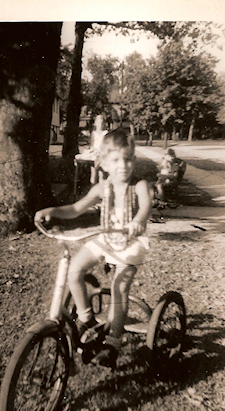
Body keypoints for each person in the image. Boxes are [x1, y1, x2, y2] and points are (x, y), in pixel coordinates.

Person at [34, 128, 152, 368]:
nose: (123, 166)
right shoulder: (102, 188)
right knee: (74, 271)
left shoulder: (139, 185)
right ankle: (87, 318)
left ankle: (113, 342)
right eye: (116, 160)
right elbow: (77, 209)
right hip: (106, 238)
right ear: (104, 164)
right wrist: (53, 210)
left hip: (130, 244)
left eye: (128, 158)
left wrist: (139, 221)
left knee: (119, 289)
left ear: (134, 160)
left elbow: (146, 205)